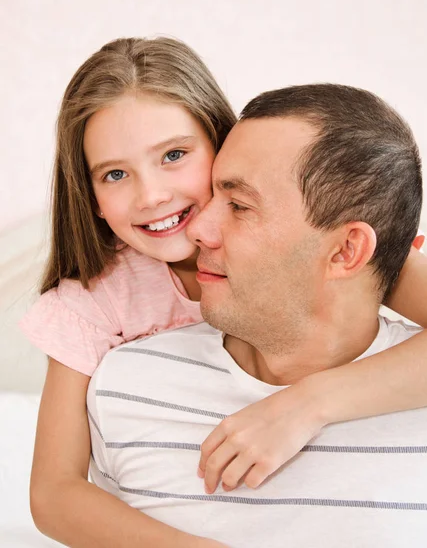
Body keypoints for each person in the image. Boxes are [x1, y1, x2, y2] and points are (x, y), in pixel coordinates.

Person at [20, 34, 427, 548]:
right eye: (115, 174)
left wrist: (306, 404)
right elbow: (54, 492)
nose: (152, 195)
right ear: (91, 196)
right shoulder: (100, 303)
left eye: (173, 155)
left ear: (220, 144)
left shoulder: (328, 249)